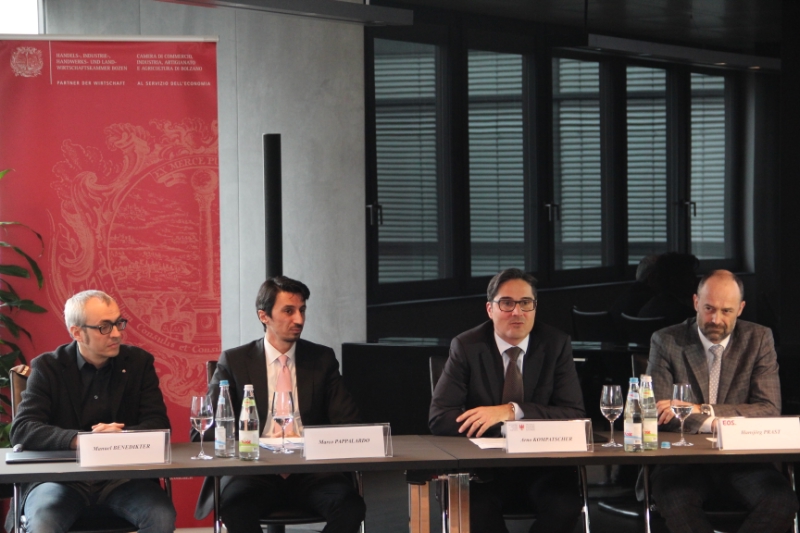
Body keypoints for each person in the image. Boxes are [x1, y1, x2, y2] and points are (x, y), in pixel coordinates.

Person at [193, 275, 365, 533]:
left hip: (312, 472)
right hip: (254, 472)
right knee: (235, 507)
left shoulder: (321, 359)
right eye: (288, 311)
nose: (299, 319)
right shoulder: (235, 361)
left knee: (350, 507)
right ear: (264, 316)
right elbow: (204, 432)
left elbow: (348, 422)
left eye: (302, 310)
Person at [429, 268, 585, 533]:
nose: (517, 312)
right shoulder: (466, 346)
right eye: (507, 303)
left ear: (535, 307)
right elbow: (440, 417)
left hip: (543, 466)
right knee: (474, 511)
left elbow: (574, 414)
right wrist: (498, 428)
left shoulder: (555, 344)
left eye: (525, 303)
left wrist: (512, 411)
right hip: (482, 470)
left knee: (565, 508)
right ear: (490, 309)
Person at [8, 290, 175, 533]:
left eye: (118, 323)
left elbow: (159, 424)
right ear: (77, 332)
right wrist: (82, 440)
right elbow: (23, 429)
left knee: (161, 517)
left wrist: (122, 437)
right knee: (43, 522)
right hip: (60, 479)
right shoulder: (48, 367)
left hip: (123, 478)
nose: (116, 333)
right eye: (104, 327)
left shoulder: (138, 363)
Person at [646, 270, 798, 533]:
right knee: (676, 500)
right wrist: (717, 424)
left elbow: (769, 409)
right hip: (683, 461)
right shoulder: (666, 341)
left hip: (744, 461)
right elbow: (660, 412)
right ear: (696, 302)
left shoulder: (759, 339)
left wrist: (702, 410)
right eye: (709, 308)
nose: (716, 320)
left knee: (781, 501)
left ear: (740, 309)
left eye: (726, 311)